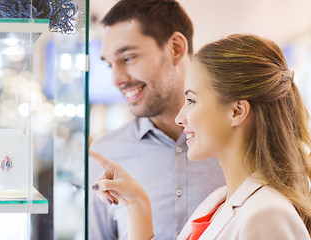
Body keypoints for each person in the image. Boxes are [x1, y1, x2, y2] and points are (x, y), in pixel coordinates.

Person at [90, 33, 311, 240]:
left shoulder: (267, 214)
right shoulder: (216, 202)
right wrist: (137, 204)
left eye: (192, 100)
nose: (180, 117)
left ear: (237, 111)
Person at [89, 0, 225, 239]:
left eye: (128, 58)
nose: (117, 79)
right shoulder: (105, 155)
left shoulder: (238, 139)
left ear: (175, 48)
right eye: (110, 64)